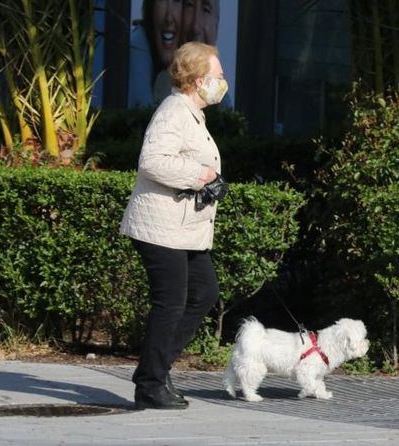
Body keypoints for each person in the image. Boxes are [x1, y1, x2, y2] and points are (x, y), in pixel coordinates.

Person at [120, 41, 229, 410]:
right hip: (160, 226)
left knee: (204, 292)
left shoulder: (191, 113)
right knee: (171, 302)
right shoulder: (174, 111)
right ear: (198, 81)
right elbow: (151, 162)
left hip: (183, 229)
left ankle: (157, 371)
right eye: (218, 76)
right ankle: (150, 384)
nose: (223, 81)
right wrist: (201, 175)